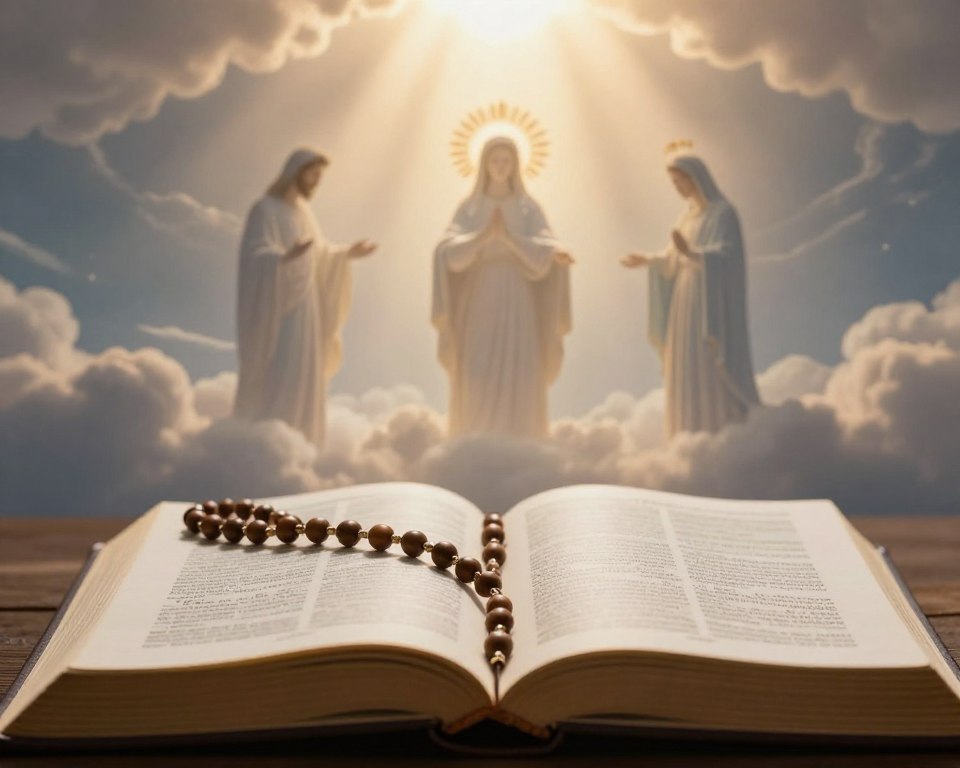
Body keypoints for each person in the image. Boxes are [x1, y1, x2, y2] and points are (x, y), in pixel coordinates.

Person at [432, 136, 573, 439]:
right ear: (483, 164)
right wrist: (483, 237)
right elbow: (447, 252)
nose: (500, 166)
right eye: (494, 160)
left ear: (516, 165)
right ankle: (473, 436)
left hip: (517, 294)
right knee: (477, 363)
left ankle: (521, 436)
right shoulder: (470, 208)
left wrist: (519, 242)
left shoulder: (527, 209)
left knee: (519, 366)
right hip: (480, 294)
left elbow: (546, 245)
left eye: (506, 161)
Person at [234, 148, 376, 445]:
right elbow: (255, 255)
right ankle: (270, 442)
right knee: (282, 368)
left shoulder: (303, 213)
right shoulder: (264, 209)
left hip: (307, 308)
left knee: (303, 375)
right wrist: (284, 258)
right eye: (312, 175)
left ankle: (300, 441)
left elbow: (320, 255)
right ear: (295, 173)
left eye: (319, 177)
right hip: (279, 309)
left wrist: (347, 253)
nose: (315, 182)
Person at [621, 152, 759, 438]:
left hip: (709, 302)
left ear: (697, 177)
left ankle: (718, 428)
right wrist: (647, 259)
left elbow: (729, 256)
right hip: (684, 300)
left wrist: (694, 254)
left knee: (706, 359)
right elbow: (672, 260)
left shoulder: (723, 213)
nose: (679, 188)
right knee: (684, 363)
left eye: (682, 180)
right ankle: (687, 432)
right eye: (674, 183)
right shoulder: (686, 218)